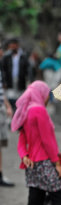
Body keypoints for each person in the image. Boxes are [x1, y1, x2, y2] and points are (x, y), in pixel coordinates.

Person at [11, 80, 61, 205]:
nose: (47, 98)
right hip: (45, 162)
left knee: (34, 201)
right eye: (46, 95)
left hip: (32, 165)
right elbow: (48, 141)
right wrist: (58, 164)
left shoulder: (25, 110)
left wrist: (24, 155)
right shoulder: (39, 111)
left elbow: (21, 140)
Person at [2, 38, 29, 112]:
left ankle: (19, 112)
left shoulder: (23, 56)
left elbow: (28, 69)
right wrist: (4, 82)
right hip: (10, 80)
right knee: (11, 97)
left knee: (20, 97)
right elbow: (3, 70)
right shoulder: (6, 57)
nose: (12, 48)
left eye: (13, 46)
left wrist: (29, 80)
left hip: (20, 80)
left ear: (17, 46)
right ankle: (13, 112)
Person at [0, 46, 14, 187]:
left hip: (1, 109)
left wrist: (8, 106)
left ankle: (0, 173)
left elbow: (1, 91)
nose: (2, 52)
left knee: (0, 143)